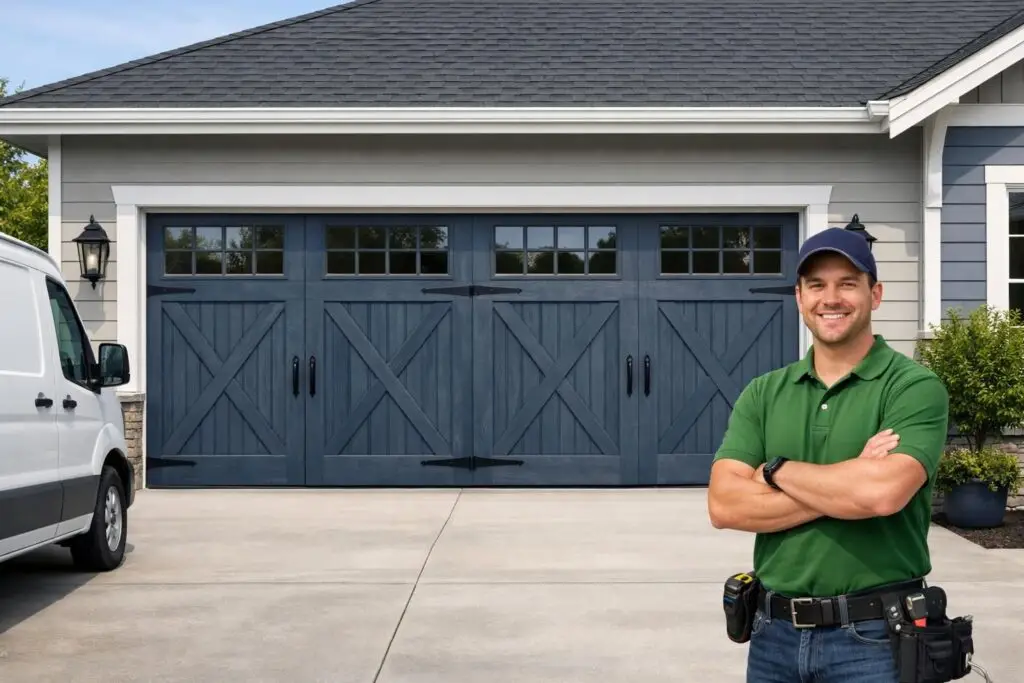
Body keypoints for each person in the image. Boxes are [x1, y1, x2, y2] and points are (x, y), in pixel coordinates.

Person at [707, 226, 950, 683]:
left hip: (875, 637)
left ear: (875, 295)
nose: (830, 298)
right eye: (816, 285)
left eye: (847, 283)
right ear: (799, 298)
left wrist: (774, 471)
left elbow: (881, 495)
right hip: (772, 634)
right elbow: (723, 505)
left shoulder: (913, 387)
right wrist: (849, 478)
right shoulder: (764, 392)